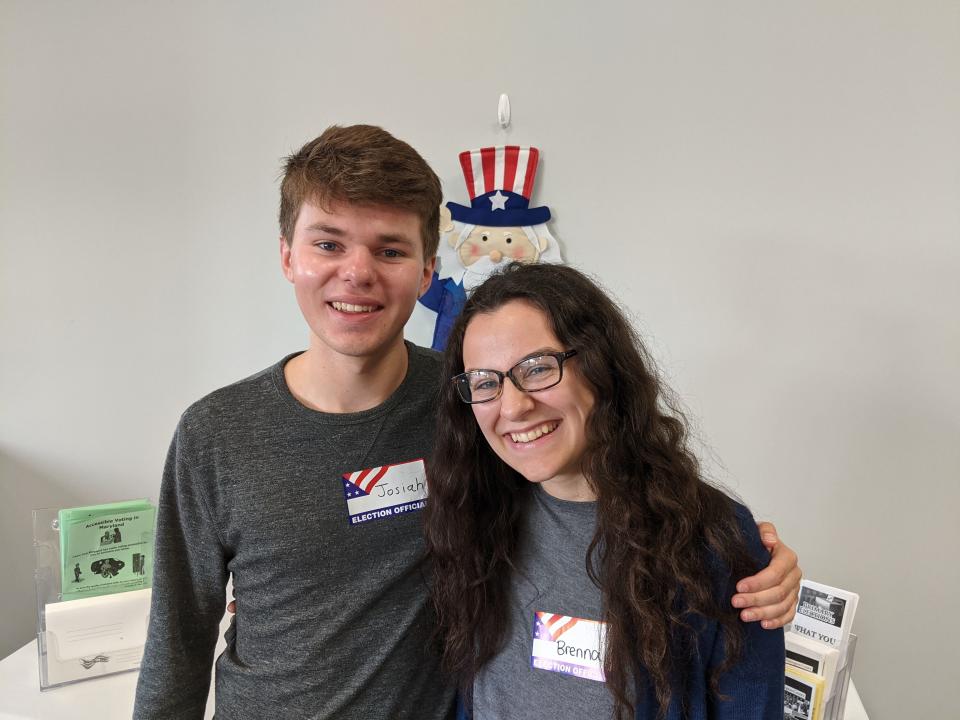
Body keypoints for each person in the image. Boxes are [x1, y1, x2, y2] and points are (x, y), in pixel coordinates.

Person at [134, 125, 799, 719]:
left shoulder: (465, 406)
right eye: (328, 243)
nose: (357, 272)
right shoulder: (216, 434)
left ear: (427, 272)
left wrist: (746, 557)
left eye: (390, 251)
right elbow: (177, 641)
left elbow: (609, 510)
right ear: (287, 256)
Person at [424, 262, 786, 719]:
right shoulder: (470, 514)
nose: (513, 407)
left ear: (600, 366)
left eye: (536, 368)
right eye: (484, 383)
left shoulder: (711, 539)